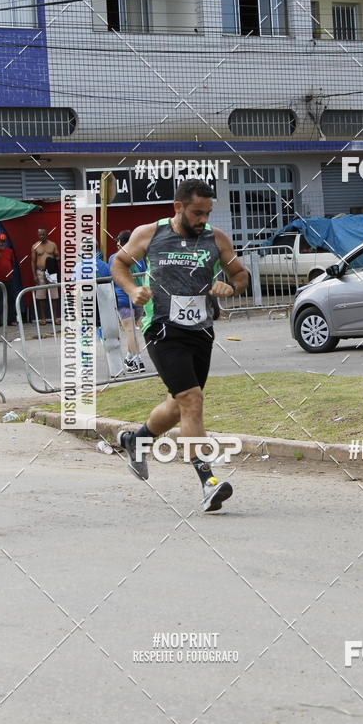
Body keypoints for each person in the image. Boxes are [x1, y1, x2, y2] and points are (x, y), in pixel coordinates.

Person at [111, 179, 248, 512]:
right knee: (192, 398)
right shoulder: (150, 234)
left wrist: (231, 287)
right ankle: (208, 482)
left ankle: (137, 441)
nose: (203, 219)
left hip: (200, 331)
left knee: (179, 404)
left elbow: (240, 274)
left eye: (207, 213)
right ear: (178, 207)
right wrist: (132, 290)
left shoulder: (216, 239)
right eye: (197, 212)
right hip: (162, 328)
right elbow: (119, 263)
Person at [108, 230, 147, 373]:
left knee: (130, 331)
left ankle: (138, 360)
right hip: (138, 299)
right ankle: (130, 358)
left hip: (123, 299)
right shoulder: (140, 257)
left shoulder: (114, 258)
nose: (116, 244)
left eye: (118, 241)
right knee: (132, 331)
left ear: (121, 242)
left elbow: (111, 275)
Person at [31, 228, 60, 324]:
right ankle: (43, 318)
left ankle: (55, 317)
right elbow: (33, 261)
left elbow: (57, 256)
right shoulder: (35, 246)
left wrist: (56, 258)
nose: (42, 236)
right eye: (40, 234)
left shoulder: (52, 244)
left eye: (43, 234)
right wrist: (34, 275)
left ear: (46, 234)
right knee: (41, 296)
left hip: (51, 272)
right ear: (38, 235)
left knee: (54, 295)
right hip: (40, 271)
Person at [0, 233, 17, 325]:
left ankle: (12, 320)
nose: (0, 244)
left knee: (11, 299)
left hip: (9, 279)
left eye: (2, 242)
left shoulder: (9, 251)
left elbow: (12, 263)